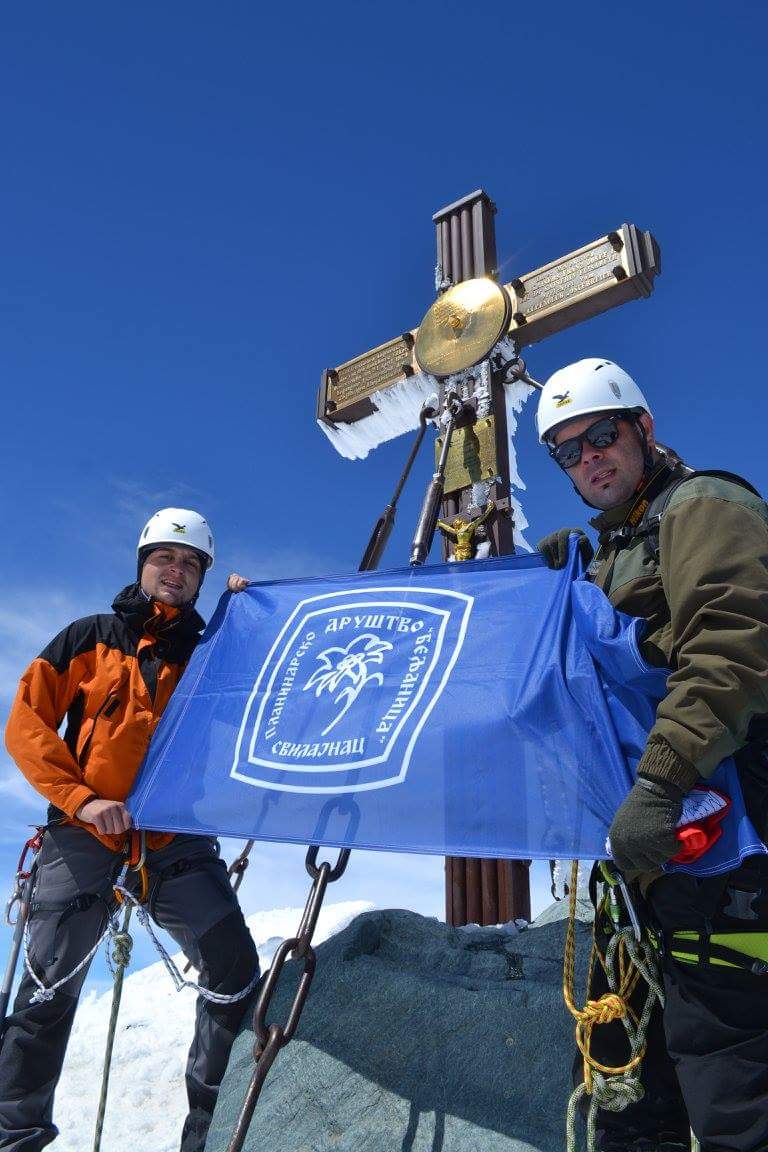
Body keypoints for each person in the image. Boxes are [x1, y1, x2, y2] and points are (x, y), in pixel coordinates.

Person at [535, 360, 768, 1152]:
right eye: (568, 451)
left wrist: (662, 784)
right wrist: (568, 586)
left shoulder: (705, 504)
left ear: (644, 429)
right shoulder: (613, 551)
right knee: (626, 1092)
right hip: (640, 864)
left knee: (733, 1086)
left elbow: (731, 650)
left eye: (602, 435)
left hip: (723, 844)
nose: (589, 457)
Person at [0, 508, 257, 1152]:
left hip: (174, 838)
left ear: (202, 577)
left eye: (190, 562)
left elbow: (268, 697)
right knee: (47, 984)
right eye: (164, 558)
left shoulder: (213, 653)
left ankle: (212, 1131)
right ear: (142, 566)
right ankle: (12, 1131)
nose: (175, 570)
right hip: (84, 832)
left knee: (232, 971)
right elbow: (28, 723)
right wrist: (81, 800)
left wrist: (253, 621)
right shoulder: (89, 637)